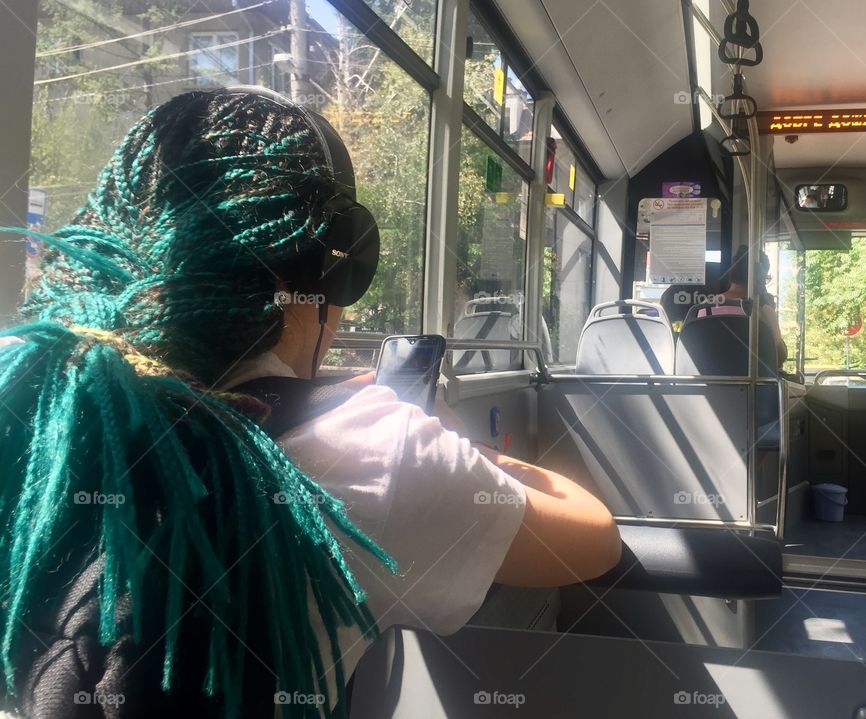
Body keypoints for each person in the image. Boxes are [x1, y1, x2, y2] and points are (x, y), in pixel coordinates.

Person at [0, 89, 620, 718]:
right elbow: (593, 540)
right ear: (336, 268)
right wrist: (467, 451)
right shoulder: (380, 450)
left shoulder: (32, 402)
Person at [721, 246, 789, 367]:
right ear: (760, 279)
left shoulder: (704, 307)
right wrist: (770, 311)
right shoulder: (760, 312)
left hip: (712, 382)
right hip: (752, 383)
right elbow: (779, 356)